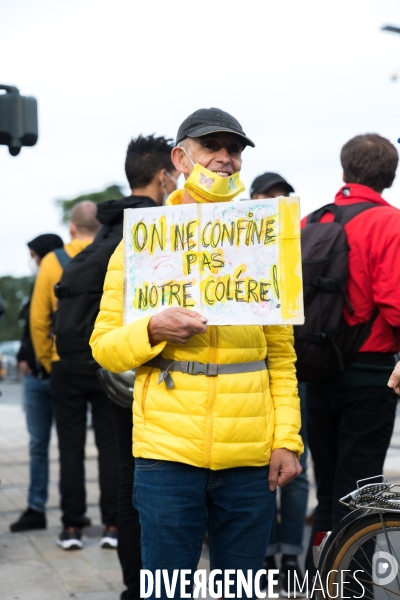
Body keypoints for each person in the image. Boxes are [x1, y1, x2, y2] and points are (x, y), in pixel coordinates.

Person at [90, 107, 303, 599]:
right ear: (181, 158)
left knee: (241, 590)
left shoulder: (264, 241)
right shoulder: (142, 245)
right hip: (167, 457)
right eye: (214, 148)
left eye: (235, 150)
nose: (227, 160)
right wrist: (151, 328)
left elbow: (282, 358)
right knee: (167, 591)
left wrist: (286, 439)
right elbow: (105, 348)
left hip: (250, 459)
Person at [303, 134, 400, 580]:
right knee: (361, 492)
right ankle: (352, 586)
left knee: (327, 493)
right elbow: (394, 302)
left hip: (316, 371)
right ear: (391, 175)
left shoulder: (310, 222)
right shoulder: (390, 223)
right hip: (370, 375)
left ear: (344, 172)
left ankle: (317, 578)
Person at [94, 135, 178, 600]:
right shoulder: (159, 228)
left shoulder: (106, 228)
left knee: (129, 483)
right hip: (149, 377)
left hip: (112, 378)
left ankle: (134, 584)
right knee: (150, 494)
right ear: (163, 175)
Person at [30, 201, 118, 550]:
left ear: (71, 227)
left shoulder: (53, 261)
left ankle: (71, 528)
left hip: (64, 365)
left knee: (70, 448)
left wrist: (46, 360)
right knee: (110, 448)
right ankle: (112, 525)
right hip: (105, 362)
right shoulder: (113, 253)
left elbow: (38, 320)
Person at [250, 174, 309, 595]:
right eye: (266, 198)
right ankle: (269, 553)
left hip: (292, 364)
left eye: (280, 199)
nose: (272, 205)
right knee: (257, 470)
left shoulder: (296, 242)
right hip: (251, 372)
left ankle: (290, 553)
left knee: (292, 465)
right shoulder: (234, 240)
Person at [10, 234, 64, 532]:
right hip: (35, 377)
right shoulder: (37, 284)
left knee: (69, 447)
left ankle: (73, 510)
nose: (32, 262)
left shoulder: (67, 277)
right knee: (38, 445)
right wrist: (23, 355)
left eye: (34, 256)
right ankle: (36, 507)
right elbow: (30, 328)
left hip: (57, 373)